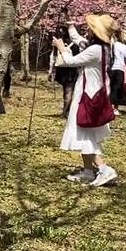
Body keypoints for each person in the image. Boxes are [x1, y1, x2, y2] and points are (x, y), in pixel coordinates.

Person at [52, 14, 118, 187]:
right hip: (95, 94)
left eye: (90, 28)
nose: (87, 30)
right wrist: (71, 27)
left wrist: (61, 47)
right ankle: (88, 171)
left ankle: (104, 169)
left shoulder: (95, 50)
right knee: (85, 132)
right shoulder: (104, 47)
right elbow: (80, 41)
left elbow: (70, 61)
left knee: (85, 133)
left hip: (88, 96)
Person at [49, 24, 82, 119]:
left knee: (66, 90)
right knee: (70, 89)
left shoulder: (59, 43)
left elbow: (53, 56)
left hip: (62, 69)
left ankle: (66, 110)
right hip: (72, 69)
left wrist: (51, 70)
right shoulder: (76, 44)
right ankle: (67, 110)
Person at [110, 23, 126, 117]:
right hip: (119, 68)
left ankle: (109, 106)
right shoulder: (123, 46)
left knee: (109, 87)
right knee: (117, 88)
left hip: (109, 68)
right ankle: (115, 108)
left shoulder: (109, 44)